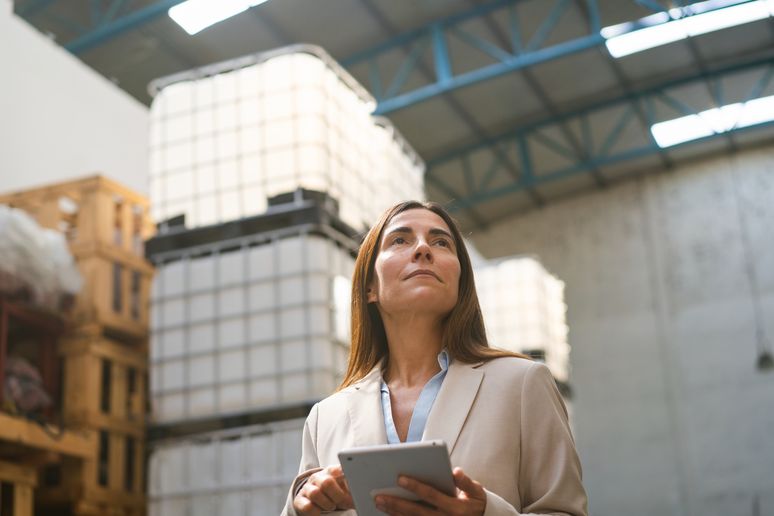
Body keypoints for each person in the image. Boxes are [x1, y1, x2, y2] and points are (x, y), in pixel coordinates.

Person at [281, 201, 587, 516]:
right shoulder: (325, 417)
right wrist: (301, 508)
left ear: (460, 282)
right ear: (370, 287)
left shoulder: (522, 384)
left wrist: (486, 514)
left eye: (441, 242)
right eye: (400, 239)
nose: (423, 249)